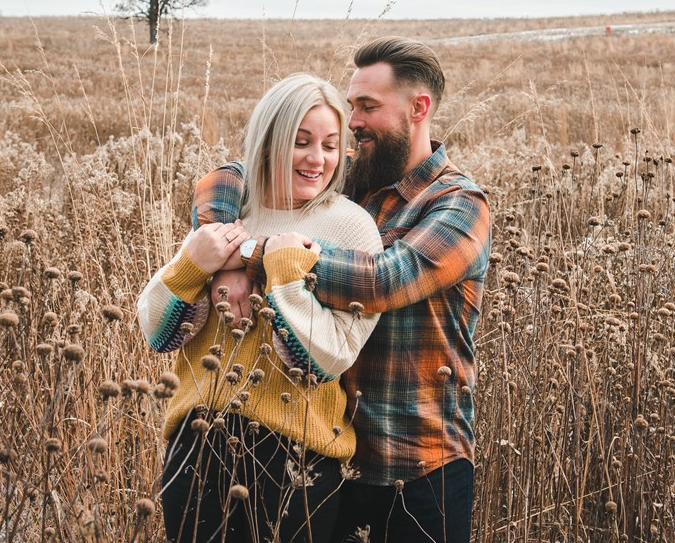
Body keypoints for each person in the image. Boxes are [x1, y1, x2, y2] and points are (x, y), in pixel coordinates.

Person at [193, 37, 492, 543]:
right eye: (352, 105)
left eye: (367, 107)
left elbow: (383, 280)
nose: (352, 121)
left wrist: (256, 254)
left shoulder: (459, 205)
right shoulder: (346, 180)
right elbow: (229, 175)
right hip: (330, 455)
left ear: (418, 109)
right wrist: (224, 256)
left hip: (417, 465)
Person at [137, 73, 384, 543]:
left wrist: (284, 271)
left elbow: (329, 358)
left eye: (331, 145)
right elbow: (156, 331)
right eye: (301, 141)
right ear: (269, 140)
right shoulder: (230, 213)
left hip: (297, 461)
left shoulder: (352, 228)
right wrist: (193, 264)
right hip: (197, 442)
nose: (317, 159)